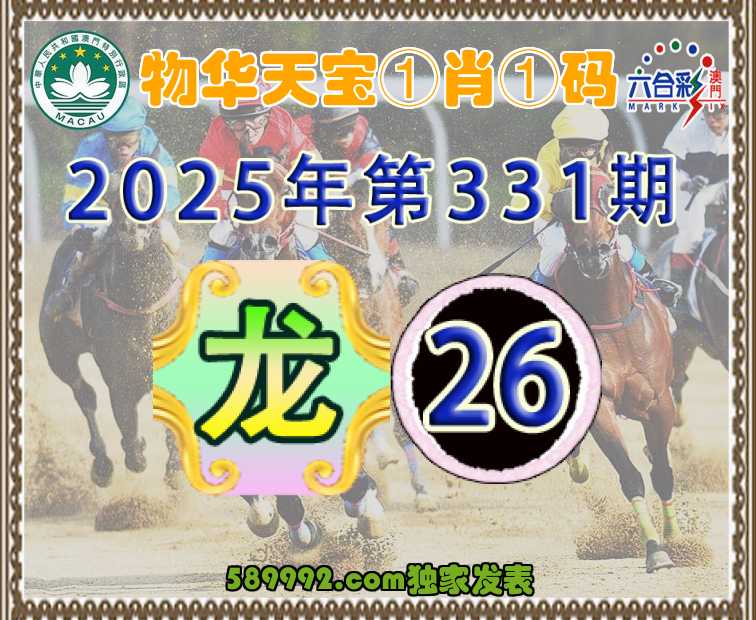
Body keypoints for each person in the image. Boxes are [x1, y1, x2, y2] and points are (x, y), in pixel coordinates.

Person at [197, 96, 386, 540]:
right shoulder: (218, 134)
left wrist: (290, 184)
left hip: (289, 210)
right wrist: (230, 203)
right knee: (210, 257)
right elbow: (208, 180)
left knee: (315, 253)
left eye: (251, 121)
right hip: (240, 216)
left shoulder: (285, 125)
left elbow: (313, 166)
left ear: (265, 115)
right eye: (237, 123)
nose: (245, 129)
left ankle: (345, 320)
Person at [526, 105, 679, 306]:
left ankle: (653, 281)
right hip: (554, 219)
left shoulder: (608, 153)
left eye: (587, 149)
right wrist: (557, 204)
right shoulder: (548, 155)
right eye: (571, 149)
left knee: (621, 243)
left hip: (593, 219)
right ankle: (534, 293)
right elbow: (534, 195)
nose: (580, 155)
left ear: (599, 147)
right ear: (560, 145)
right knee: (556, 247)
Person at [44, 96, 180, 320]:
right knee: (87, 250)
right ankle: (69, 291)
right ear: (105, 135)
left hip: (146, 215)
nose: (123, 148)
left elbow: (171, 190)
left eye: (129, 140)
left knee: (173, 243)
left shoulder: (152, 144)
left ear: (140, 133)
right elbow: (75, 197)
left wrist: (159, 212)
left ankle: (184, 289)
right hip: (104, 215)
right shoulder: (90, 148)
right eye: (116, 141)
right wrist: (79, 227)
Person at [297, 107, 420, 307]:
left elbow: (375, 168)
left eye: (349, 128)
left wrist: (346, 185)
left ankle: (396, 265)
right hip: (311, 185)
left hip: (350, 178)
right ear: (321, 130)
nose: (348, 136)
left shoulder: (361, 130)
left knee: (378, 202)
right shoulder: (299, 130)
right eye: (339, 132)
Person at [663, 104, 729, 307]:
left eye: (718, 115)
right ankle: (680, 298)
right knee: (690, 235)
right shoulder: (688, 122)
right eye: (707, 113)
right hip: (692, 187)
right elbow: (665, 164)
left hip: (728, 183)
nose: (711, 121)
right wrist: (686, 183)